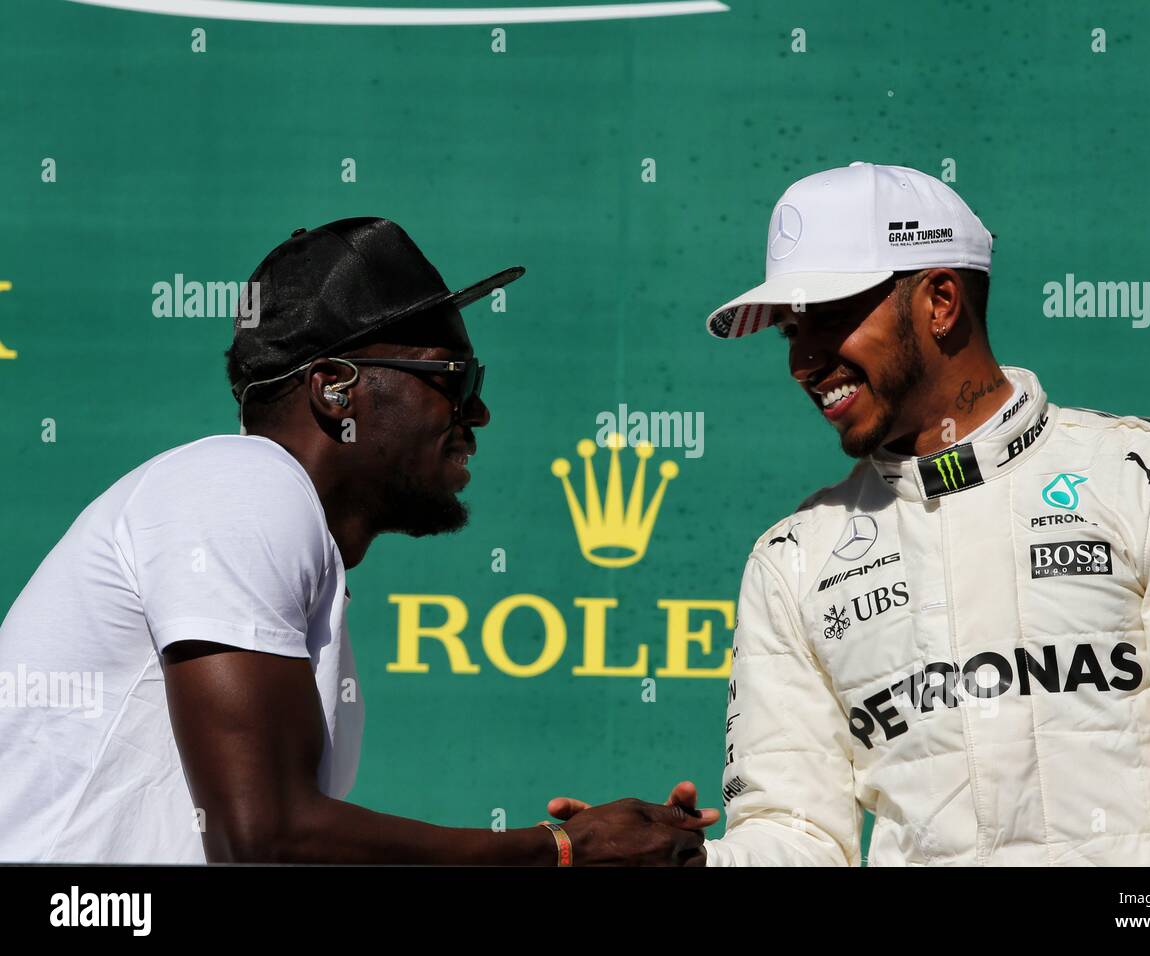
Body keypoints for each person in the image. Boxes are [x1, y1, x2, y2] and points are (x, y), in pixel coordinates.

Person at [0, 217, 712, 865]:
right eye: (455, 378)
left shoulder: (275, 529)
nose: (480, 410)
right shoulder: (240, 481)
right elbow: (268, 834)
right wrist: (559, 850)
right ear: (335, 389)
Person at [692, 163, 1150, 865]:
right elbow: (798, 837)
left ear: (941, 300)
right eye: (790, 331)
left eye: (826, 319)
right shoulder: (792, 557)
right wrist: (690, 865)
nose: (803, 359)